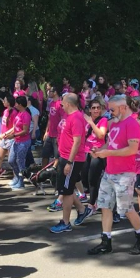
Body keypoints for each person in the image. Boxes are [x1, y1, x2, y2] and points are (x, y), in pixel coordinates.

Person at [87, 95, 140, 255]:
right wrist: (99, 151)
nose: (110, 112)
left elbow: (132, 149)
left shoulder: (132, 124)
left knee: (126, 208)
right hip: (110, 171)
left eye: (112, 109)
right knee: (105, 206)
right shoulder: (114, 123)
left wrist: (108, 153)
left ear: (123, 107)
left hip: (125, 174)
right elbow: (110, 144)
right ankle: (105, 242)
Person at [49, 93, 91, 233]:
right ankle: (82, 209)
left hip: (71, 159)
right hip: (65, 157)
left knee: (66, 192)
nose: (61, 106)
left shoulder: (76, 118)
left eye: (62, 104)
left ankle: (65, 223)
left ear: (68, 104)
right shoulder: (70, 116)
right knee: (67, 188)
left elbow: (77, 141)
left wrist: (69, 162)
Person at [9, 96, 32, 190]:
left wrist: (14, 135)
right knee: (11, 160)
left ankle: (21, 182)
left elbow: (25, 131)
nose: (15, 105)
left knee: (20, 161)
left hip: (23, 142)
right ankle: (17, 178)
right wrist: (9, 134)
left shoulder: (26, 115)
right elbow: (15, 127)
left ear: (20, 104)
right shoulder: (19, 113)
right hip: (16, 141)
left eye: (16, 103)